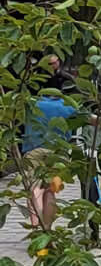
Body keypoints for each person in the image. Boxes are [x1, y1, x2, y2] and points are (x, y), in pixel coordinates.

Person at [18, 56, 76, 230]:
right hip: (58, 152)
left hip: (33, 150)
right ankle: (47, 229)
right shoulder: (68, 105)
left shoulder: (31, 103)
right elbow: (92, 120)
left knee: (35, 188)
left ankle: (36, 225)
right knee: (50, 190)